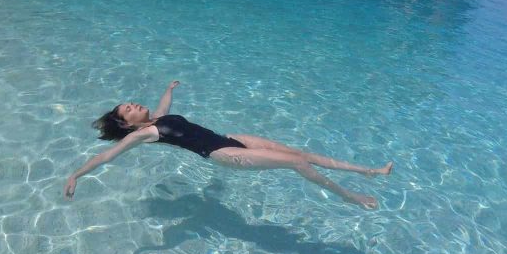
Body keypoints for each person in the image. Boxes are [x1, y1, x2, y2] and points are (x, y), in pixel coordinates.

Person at [64, 81, 393, 209]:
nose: (135, 104)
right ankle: (351, 196)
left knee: (300, 153)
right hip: (222, 154)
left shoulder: (154, 121)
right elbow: (107, 155)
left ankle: (368, 171)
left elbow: (163, 108)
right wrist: (77, 175)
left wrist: (170, 88)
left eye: (132, 102)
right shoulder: (143, 135)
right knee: (297, 164)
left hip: (232, 139)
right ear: (127, 125)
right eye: (129, 109)